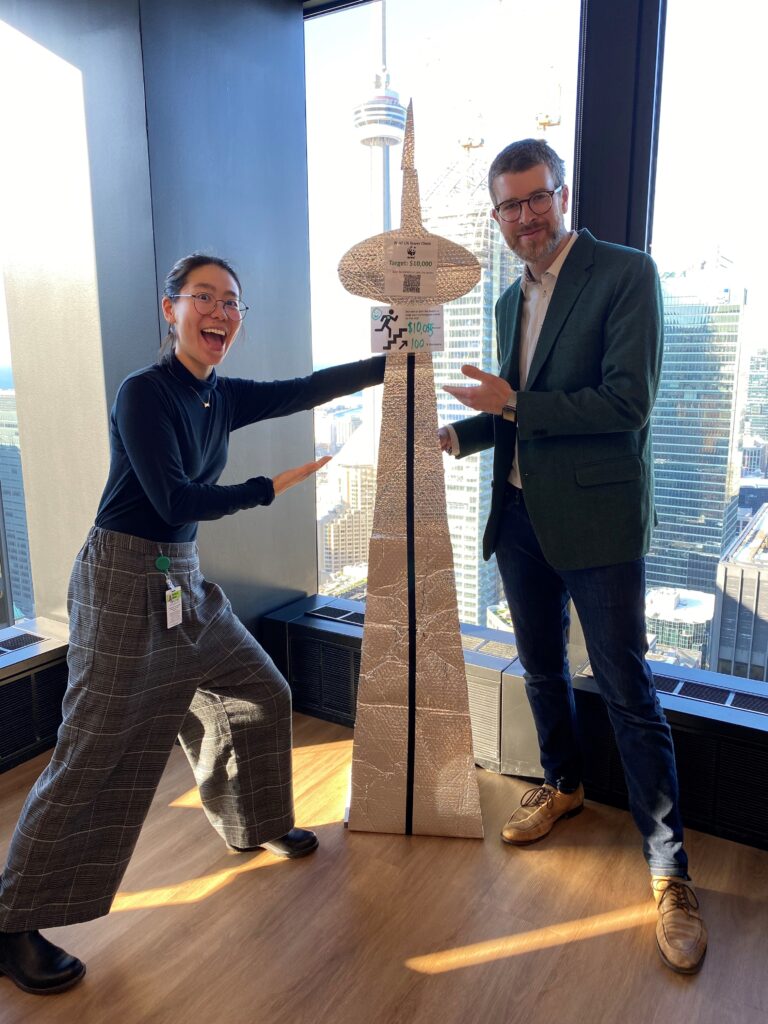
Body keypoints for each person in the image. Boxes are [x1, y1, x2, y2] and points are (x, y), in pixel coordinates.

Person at [0, 253, 386, 995]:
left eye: (232, 302)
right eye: (203, 297)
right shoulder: (143, 394)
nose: (220, 312)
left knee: (258, 693)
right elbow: (173, 498)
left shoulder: (220, 396)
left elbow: (303, 389)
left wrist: (389, 367)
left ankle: (253, 820)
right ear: (170, 308)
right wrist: (264, 489)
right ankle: (12, 921)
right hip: (121, 577)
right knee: (92, 749)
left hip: (181, 577)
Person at [438, 139, 707, 975]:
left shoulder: (627, 273)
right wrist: (459, 432)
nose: (524, 217)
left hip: (597, 523)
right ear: (497, 216)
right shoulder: (505, 296)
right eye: (508, 206)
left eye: (536, 199)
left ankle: (670, 873)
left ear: (563, 192)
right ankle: (564, 784)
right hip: (518, 513)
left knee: (628, 692)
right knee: (540, 667)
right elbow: (518, 413)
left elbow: (627, 404)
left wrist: (510, 401)